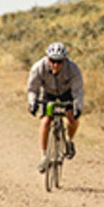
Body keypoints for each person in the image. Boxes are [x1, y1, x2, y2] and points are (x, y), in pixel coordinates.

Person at [26, 42, 84, 173]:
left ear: (64, 60)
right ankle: (44, 156)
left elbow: (78, 91)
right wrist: (32, 103)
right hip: (49, 93)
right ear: (47, 59)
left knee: (72, 119)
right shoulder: (39, 67)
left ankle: (69, 141)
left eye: (59, 62)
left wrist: (77, 107)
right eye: (52, 61)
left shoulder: (73, 69)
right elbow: (32, 88)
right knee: (46, 121)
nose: (55, 65)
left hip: (66, 93)